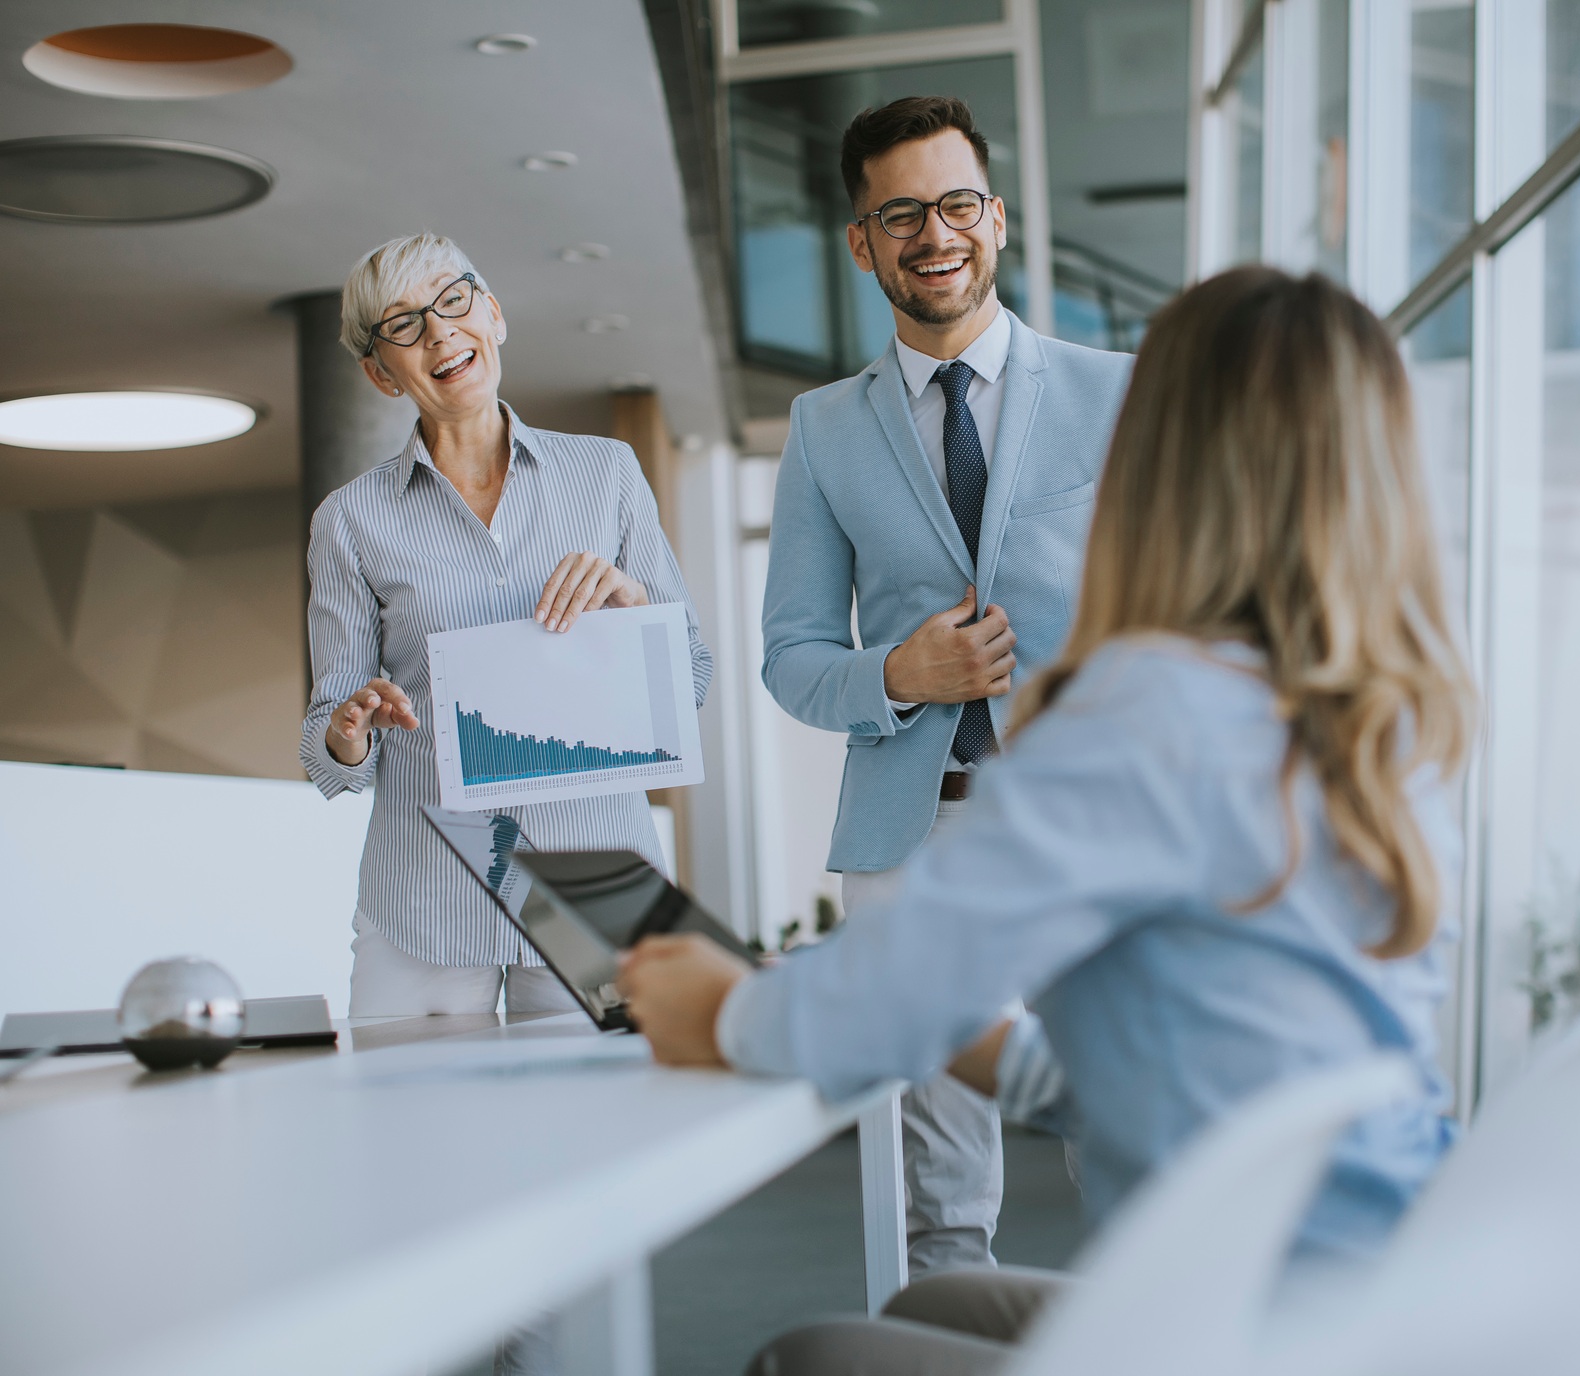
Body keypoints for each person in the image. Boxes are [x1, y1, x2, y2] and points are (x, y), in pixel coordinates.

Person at [618, 267, 1479, 1375]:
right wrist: (987, 1047)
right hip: (1385, 1297)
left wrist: (727, 1008)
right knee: (949, 1296)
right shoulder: (1385, 722)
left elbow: (878, 997)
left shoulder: (1152, 703)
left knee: (810, 1354)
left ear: (1164, 461)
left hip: (1233, 1329)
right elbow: (1219, 1071)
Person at [758, 95, 1133, 1275]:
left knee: (1122, 1143)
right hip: (912, 841)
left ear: (998, 217)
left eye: (956, 202)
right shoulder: (822, 430)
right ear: (862, 240)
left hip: (1089, 827)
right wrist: (897, 673)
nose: (936, 233)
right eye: (901, 212)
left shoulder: (1119, 392)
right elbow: (791, 654)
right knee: (937, 1188)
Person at [301, 232, 712, 1022]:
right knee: (415, 1140)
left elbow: (689, 679)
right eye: (404, 325)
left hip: (597, 885)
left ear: (491, 313)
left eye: (454, 302)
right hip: (424, 892)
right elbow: (333, 746)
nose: (439, 332)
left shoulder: (608, 474)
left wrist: (633, 614)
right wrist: (350, 729)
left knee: (603, 1136)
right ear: (380, 372)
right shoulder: (350, 521)